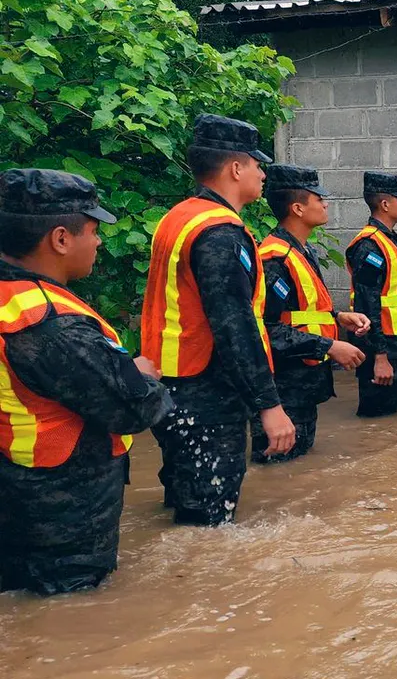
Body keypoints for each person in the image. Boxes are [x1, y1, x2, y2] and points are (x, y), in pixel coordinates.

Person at [0, 169, 173, 594]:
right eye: (93, 230)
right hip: (62, 518)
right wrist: (142, 372)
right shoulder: (50, 324)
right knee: (68, 618)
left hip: (19, 495)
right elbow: (135, 407)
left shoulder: (13, 297)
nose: (98, 242)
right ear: (60, 238)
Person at [141, 114, 295, 527]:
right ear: (236, 168)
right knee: (208, 525)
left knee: (184, 504)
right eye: (258, 164)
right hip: (206, 393)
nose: (263, 173)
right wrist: (269, 406)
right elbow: (234, 326)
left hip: (169, 385)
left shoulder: (178, 217)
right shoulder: (220, 233)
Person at [256, 164, 371, 462]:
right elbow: (267, 328)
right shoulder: (274, 259)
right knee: (278, 470)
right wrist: (330, 346)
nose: (325, 204)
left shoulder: (302, 251)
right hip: (283, 388)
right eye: (318, 199)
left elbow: (297, 312)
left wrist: (337, 318)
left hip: (304, 384)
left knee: (298, 469)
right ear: (297, 208)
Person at [345, 172, 397, 418]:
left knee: (394, 415)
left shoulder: (389, 240)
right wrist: (379, 357)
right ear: (384, 204)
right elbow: (367, 305)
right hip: (382, 347)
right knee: (377, 418)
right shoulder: (368, 246)